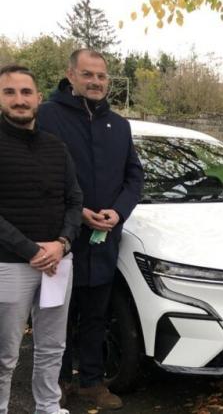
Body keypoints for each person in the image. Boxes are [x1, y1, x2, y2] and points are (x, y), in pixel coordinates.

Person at [38, 49, 144, 409]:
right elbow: (39, 177)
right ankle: (59, 383)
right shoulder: (48, 117)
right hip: (61, 239)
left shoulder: (119, 124)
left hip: (104, 241)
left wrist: (118, 212)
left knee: (96, 316)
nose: (96, 82)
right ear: (71, 75)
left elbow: (134, 176)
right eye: (88, 74)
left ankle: (93, 384)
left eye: (101, 76)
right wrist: (78, 212)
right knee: (58, 318)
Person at [0, 65, 83, 414]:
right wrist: (32, 250)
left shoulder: (55, 147)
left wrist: (62, 243)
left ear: (38, 97)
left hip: (57, 264)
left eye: (26, 92)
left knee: (52, 346)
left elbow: (75, 200)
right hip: (10, 266)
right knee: (5, 352)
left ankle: (48, 406)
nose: (19, 100)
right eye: (9, 92)